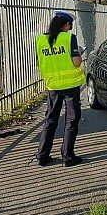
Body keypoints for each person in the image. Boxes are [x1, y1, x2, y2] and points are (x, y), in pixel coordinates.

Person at [36, 11, 86, 167]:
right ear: (65, 24)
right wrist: (80, 53)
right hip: (70, 85)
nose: (69, 29)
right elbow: (77, 62)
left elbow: (41, 62)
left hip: (53, 86)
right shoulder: (68, 38)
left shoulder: (41, 40)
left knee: (51, 119)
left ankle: (42, 156)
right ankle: (68, 157)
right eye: (69, 26)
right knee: (71, 120)